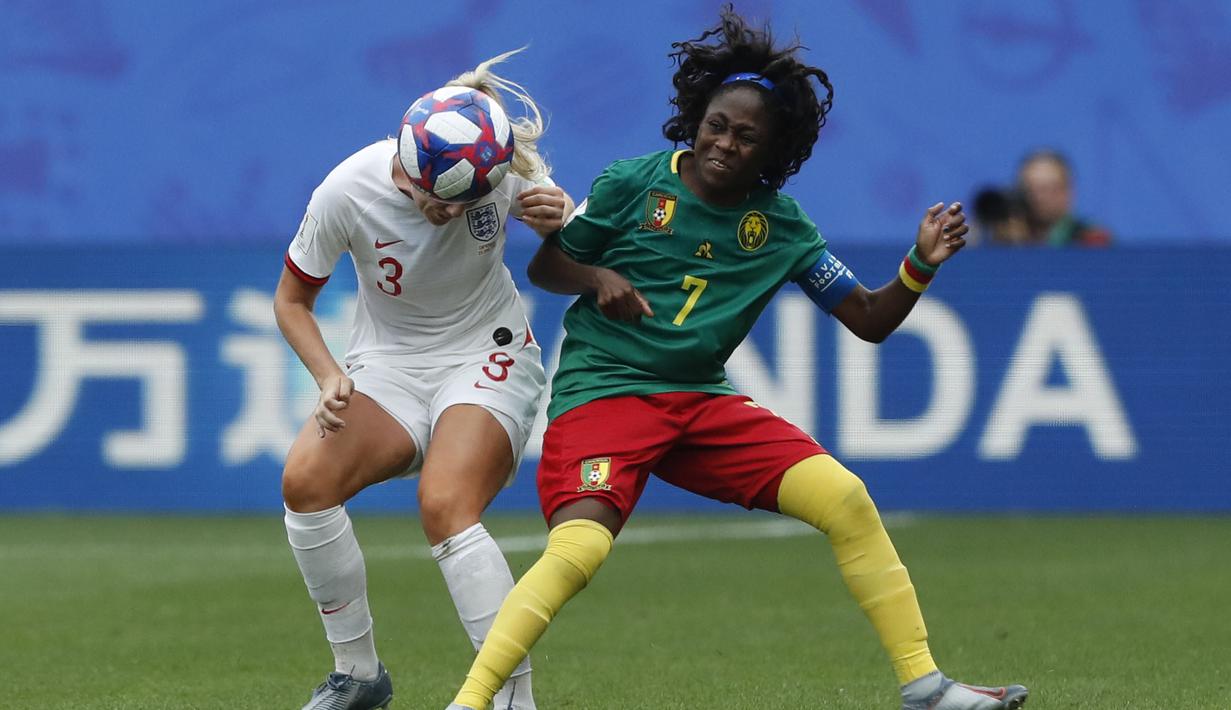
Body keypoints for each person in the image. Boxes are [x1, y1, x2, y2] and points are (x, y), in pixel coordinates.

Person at [444, 9, 1028, 710]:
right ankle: (471, 703)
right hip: (606, 393)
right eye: (716, 124)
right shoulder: (633, 182)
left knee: (844, 499)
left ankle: (925, 687)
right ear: (696, 115)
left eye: (746, 137)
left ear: (772, 149)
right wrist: (597, 277)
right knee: (579, 551)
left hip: (698, 402)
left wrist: (918, 266)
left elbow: (868, 320)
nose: (724, 143)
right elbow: (551, 268)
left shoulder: (781, 227)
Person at [275, 48, 573, 710]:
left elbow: (573, 242)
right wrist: (327, 376)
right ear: (405, 167)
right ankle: (357, 676)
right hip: (388, 366)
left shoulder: (495, 176)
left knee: (445, 505)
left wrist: (560, 223)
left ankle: (511, 703)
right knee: (305, 482)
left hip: (486, 354)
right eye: (436, 204)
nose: (447, 215)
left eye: (464, 204)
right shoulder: (346, 191)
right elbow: (290, 301)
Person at [1017, 149, 1111, 247]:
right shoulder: (1008, 241)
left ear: (1068, 192)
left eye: (1046, 189)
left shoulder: (1091, 240)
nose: (1037, 197)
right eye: (1029, 189)